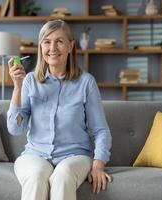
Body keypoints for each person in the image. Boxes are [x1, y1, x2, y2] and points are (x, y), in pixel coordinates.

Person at [7, 19, 112, 200]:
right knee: (36, 176)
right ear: (41, 47)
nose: (52, 48)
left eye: (59, 41)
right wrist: (17, 87)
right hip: (35, 154)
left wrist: (98, 166)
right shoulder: (30, 81)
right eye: (47, 42)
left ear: (70, 46)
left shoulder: (86, 82)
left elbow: (101, 131)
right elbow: (16, 128)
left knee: (63, 176)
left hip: (74, 156)